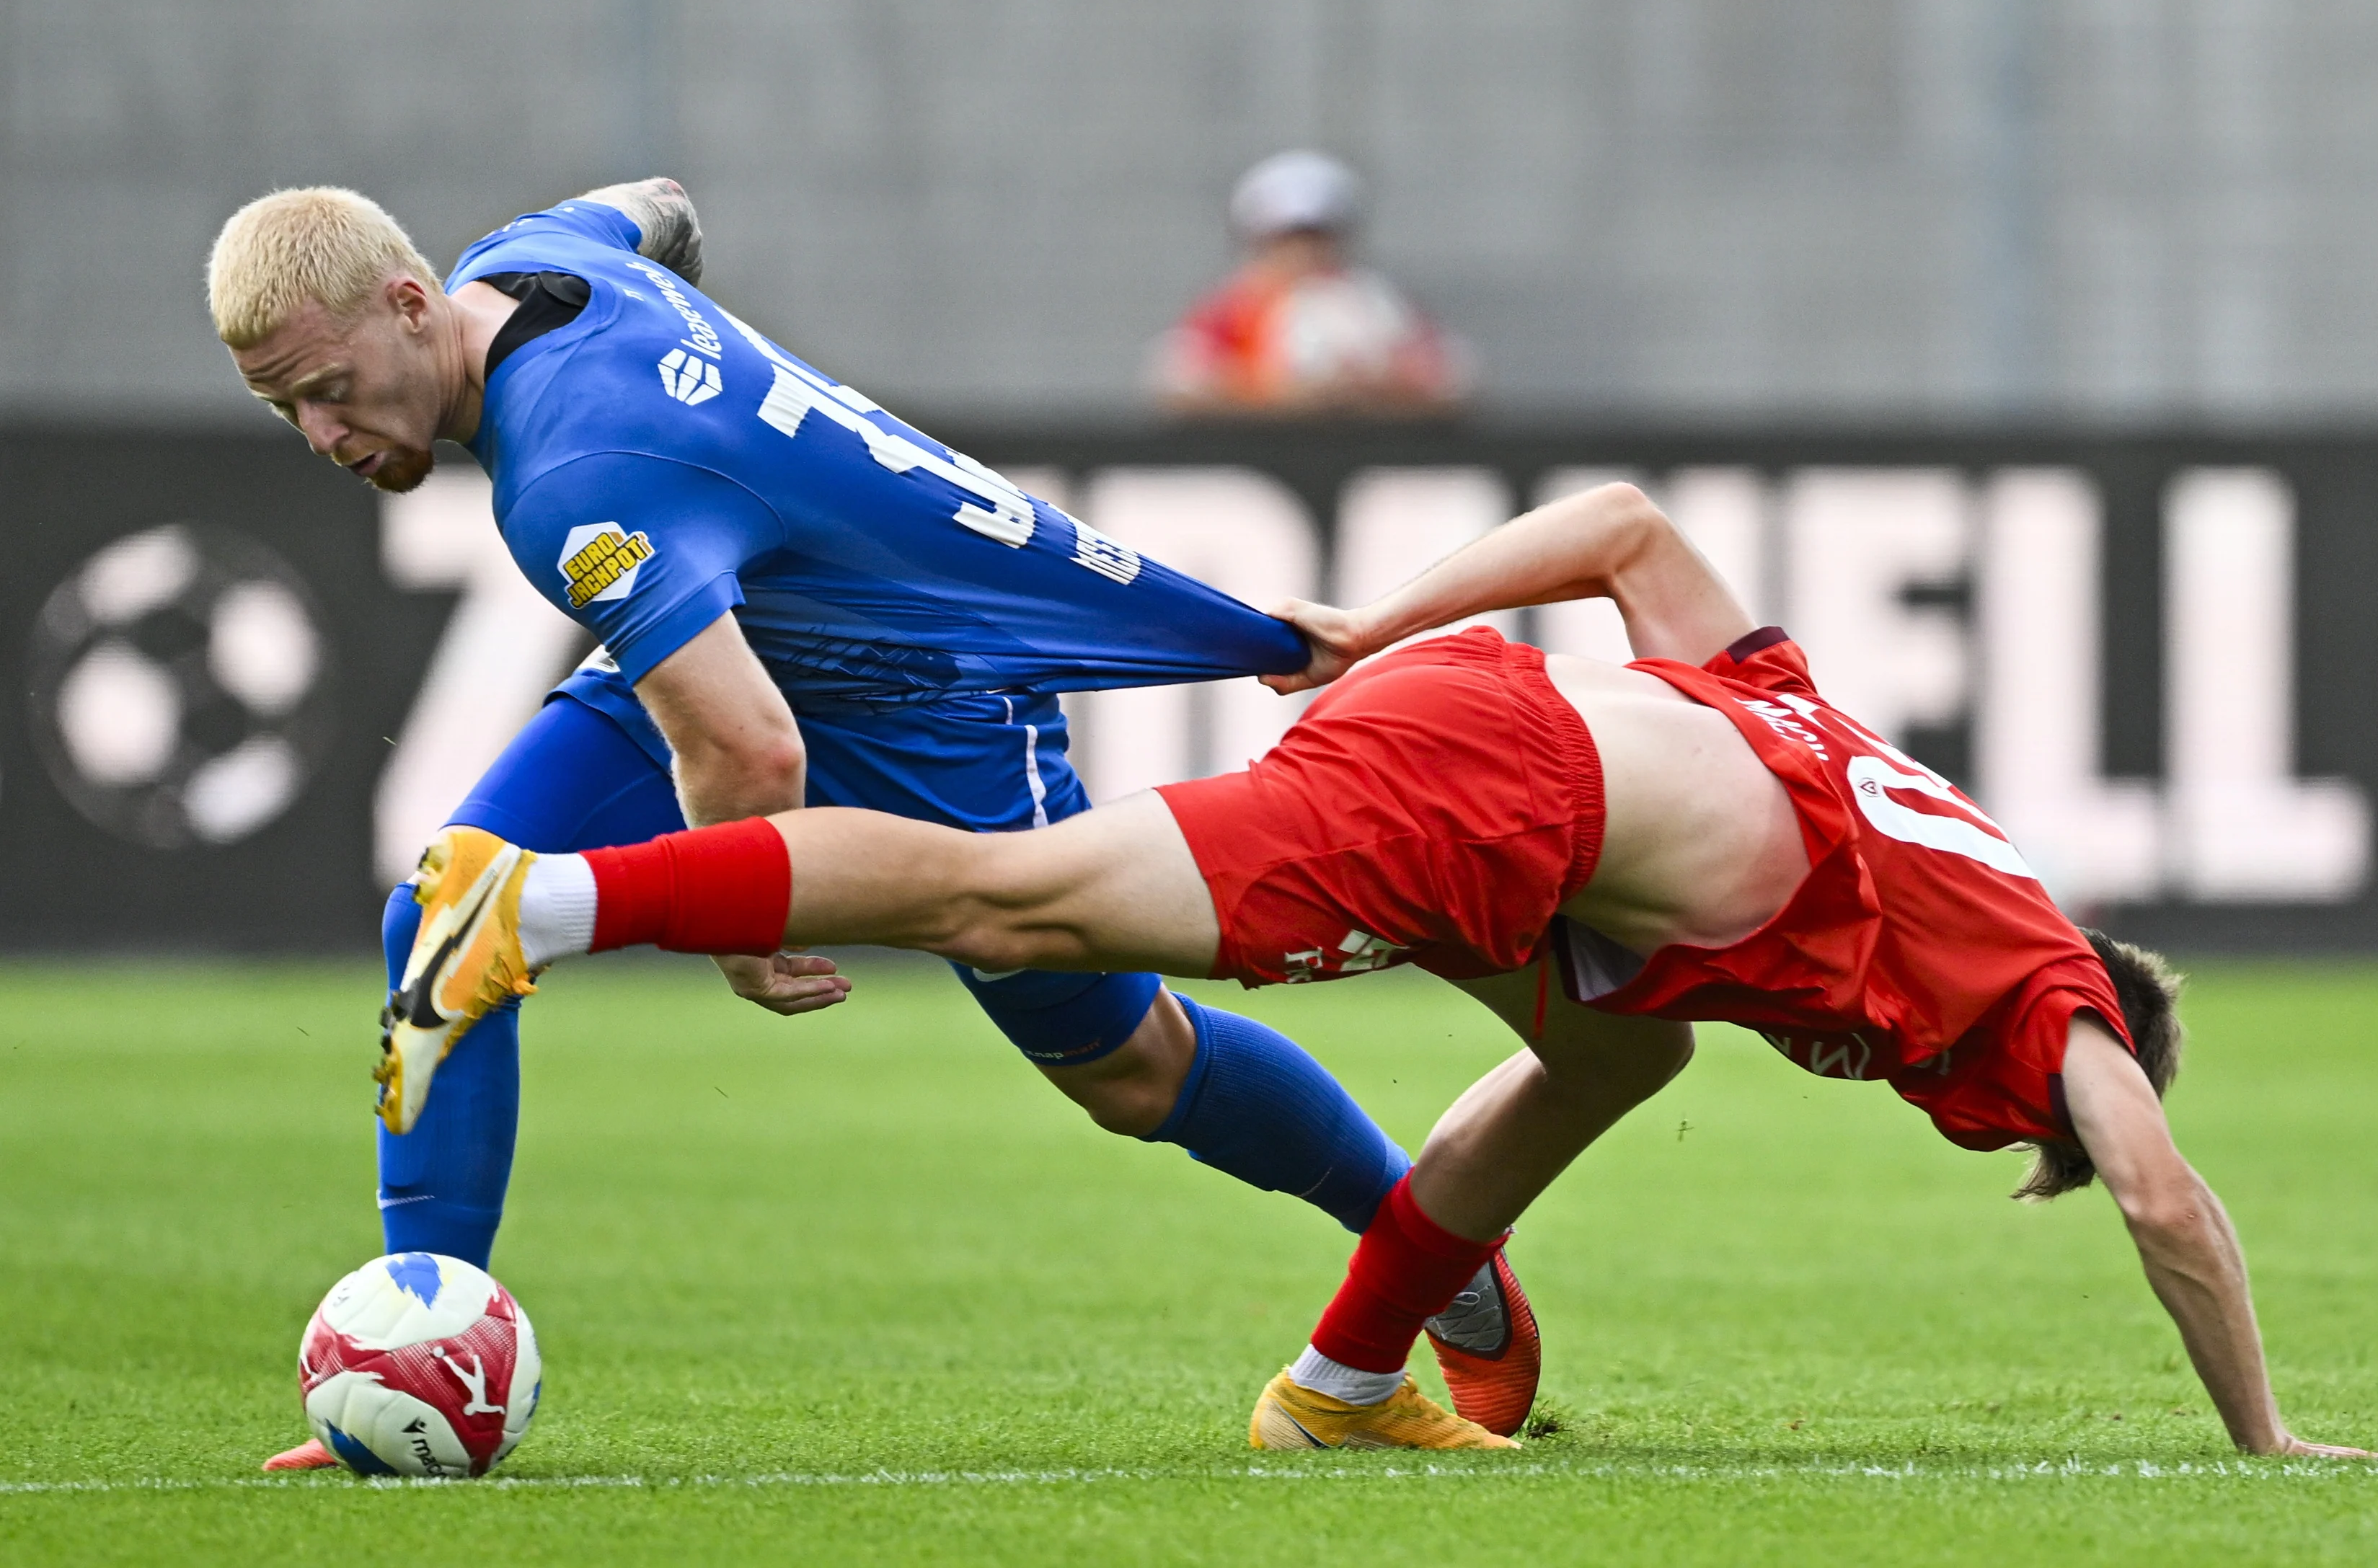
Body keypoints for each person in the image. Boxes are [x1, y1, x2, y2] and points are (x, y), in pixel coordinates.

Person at [392, 479, 2378, 1460]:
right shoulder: (2039, 989)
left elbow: (1621, 528)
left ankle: (1346, 1381)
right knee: (1023, 903)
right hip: (1485, 795)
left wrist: (1374, 623)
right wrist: (2264, 1440)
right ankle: (547, 911)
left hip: (1507, 748)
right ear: (2088, 1025)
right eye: (2024, 1133)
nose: (2020, 1140)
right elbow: (2160, 1193)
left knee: (1616, 1051)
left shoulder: (1835, 751)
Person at [205, 180, 1539, 1469]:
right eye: (286, 410)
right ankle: (420, 1343)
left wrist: (741, 924)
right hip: (738, 637)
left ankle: (1435, 1252)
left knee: (1125, 1066)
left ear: (408, 300)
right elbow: (654, 199)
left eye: (331, 389)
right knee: (445, 910)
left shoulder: (576, 469)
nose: (323, 434)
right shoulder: (543, 252)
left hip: (927, 697)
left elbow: (746, 746)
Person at [1149, 150, 1466, 417]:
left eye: (1317, 238)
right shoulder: (1234, 306)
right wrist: (1275, 395)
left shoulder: (1375, 304)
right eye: (1286, 239)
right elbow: (1177, 387)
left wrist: (1371, 391)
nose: (1303, 253)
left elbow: (1451, 385)